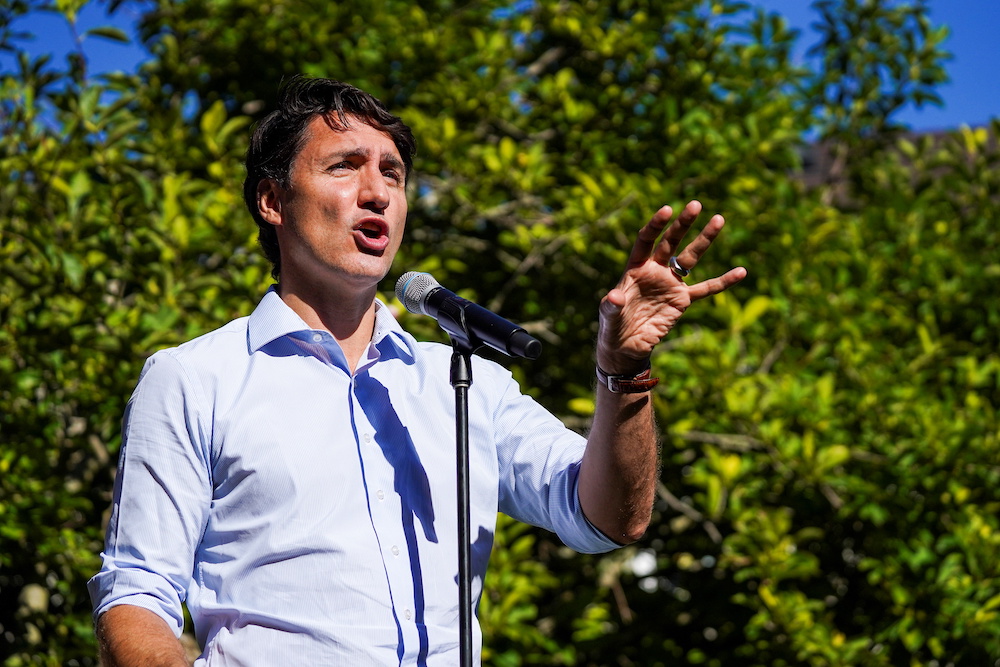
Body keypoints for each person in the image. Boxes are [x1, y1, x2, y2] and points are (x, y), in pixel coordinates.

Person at [88, 76, 746, 666]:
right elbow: (136, 594)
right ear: (272, 199)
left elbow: (604, 516)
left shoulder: (466, 382)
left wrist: (623, 374)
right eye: (345, 167)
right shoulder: (193, 377)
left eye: (394, 174)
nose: (376, 192)